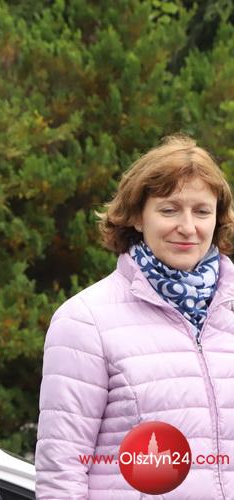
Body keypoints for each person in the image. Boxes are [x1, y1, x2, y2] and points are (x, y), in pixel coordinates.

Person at [35, 134, 234, 498]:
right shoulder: (85, 321)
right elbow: (61, 471)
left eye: (202, 211)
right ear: (137, 217)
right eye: (169, 210)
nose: (188, 226)